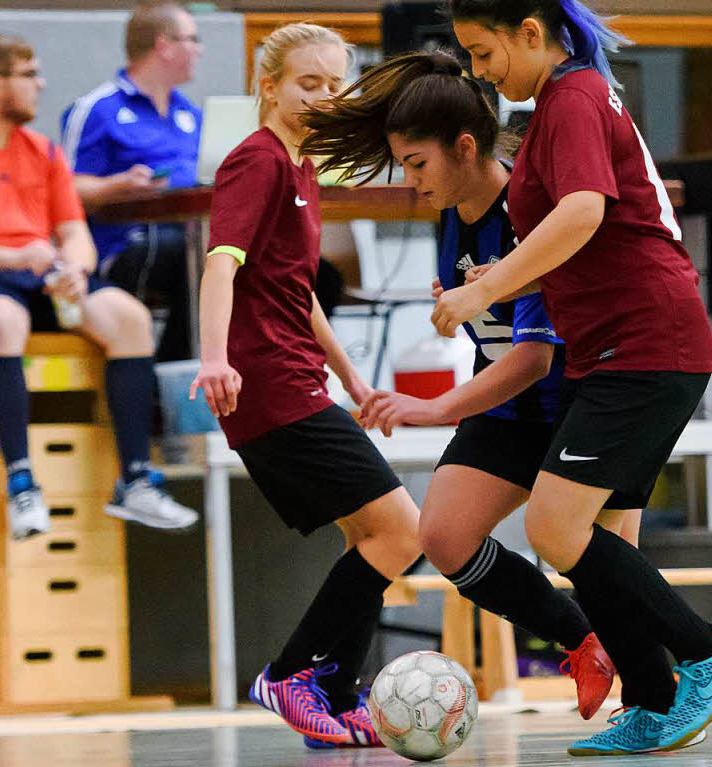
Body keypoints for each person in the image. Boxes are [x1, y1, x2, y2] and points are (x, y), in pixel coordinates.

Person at [424, 0, 712, 755]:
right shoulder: (565, 100)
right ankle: (656, 699)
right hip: (607, 348)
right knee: (597, 535)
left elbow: (582, 212)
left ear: (530, 32)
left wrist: (486, 287)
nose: (479, 72)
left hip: (646, 343)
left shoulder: (571, 97)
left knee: (552, 525)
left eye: (483, 52)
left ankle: (704, 649)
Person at [301, 50, 622, 721]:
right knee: (444, 535)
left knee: (616, 565)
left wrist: (435, 406)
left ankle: (682, 666)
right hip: (505, 402)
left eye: (418, 164)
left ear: (466, 146)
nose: (412, 181)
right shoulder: (449, 209)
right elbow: (496, 328)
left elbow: (534, 357)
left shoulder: (524, 209)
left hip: (573, 401)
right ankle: (580, 640)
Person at [190, 23, 421, 749]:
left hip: (302, 377)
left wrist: (350, 373)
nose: (322, 97)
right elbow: (220, 265)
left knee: (368, 534)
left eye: (333, 84)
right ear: (269, 86)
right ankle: (291, 674)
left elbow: (294, 289)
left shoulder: (304, 165)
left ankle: (339, 699)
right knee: (404, 528)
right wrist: (212, 357)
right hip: (266, 384)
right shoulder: (255, 163)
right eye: (307, 83)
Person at [0, 34, 198, 541]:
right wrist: (17, 256)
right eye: (30, 74)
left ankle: (134, 480)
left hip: (36, 274)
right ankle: (23, 483)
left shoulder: (42, 151)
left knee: (127, 317)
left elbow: (74, 233)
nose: (42, 85)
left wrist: (75, 271)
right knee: (4, 319)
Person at [61, 1, 203, 362]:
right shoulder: (97, 109)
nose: (199, 50)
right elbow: (64, 191)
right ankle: (176, 380)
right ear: (164, 45)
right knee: (204, 265)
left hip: (190, 235)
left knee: (241, 263)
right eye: (193, 39)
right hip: (124, 243)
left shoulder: (190, 113)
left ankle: (185, 375)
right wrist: (117, 185)